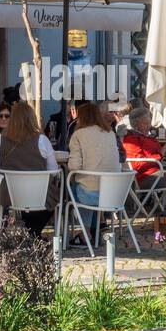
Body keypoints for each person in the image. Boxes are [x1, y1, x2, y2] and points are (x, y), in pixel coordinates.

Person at [0, 100, 59, 236]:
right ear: (32, 119)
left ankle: (31, 234)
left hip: (10, 196)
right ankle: (33, 233)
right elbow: (53, 169)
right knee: (57, 195)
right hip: (40, 196)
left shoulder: (0, 140)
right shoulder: (42, 140)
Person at [66, 101, 123, 245]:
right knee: (88, 185)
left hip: (91, 194)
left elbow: (74, 166)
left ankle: (85, 233)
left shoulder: (78, 134)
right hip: (114, 195)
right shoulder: (110, 133)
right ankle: (96, 229)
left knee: (71, 189)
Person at [123, 106, 165, 186]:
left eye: (149, 123)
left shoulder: (145, 137)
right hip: (144, 177)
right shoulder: (131, 139)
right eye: (145, 123)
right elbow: (137, 164)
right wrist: (160, 155)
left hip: (156, 170)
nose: (149, 126)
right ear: (136, 125)